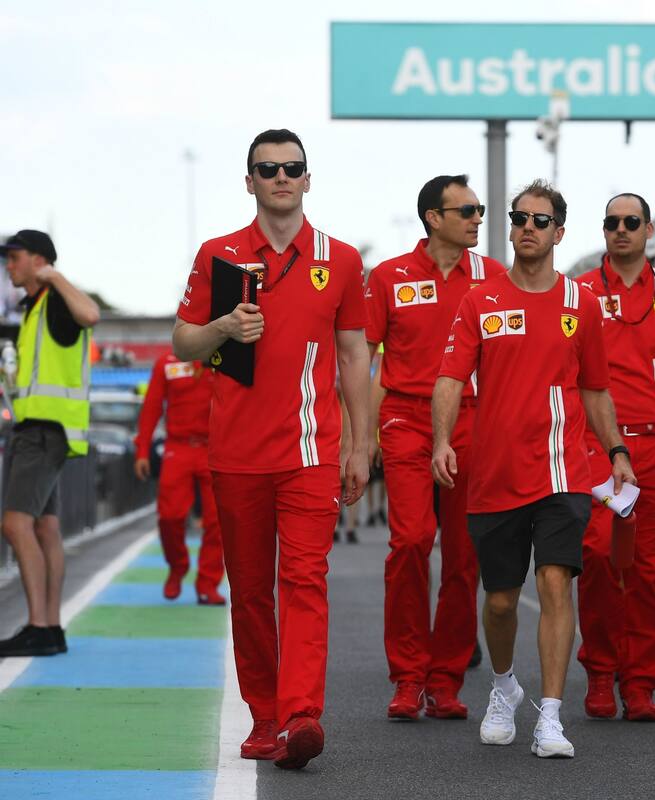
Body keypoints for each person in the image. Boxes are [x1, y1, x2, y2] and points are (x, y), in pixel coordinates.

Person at [172, 129, 371, 770]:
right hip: (234, 454)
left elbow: (353, 357)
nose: (281, 177)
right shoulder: (218, 255)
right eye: (268, 169)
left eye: (293, 168)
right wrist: (223, 327)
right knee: (252, 590)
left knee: (305, 579)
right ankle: (264, 717)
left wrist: (361, 444)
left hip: (312, 453)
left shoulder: (340, 260)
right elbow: (182, 344)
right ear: (250, 180)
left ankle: (301, 715)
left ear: (308, 179)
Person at [433, 180, 634, 758]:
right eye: (519, 218)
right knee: (498, 601)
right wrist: (442, 440)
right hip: (494, 475)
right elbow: (449, 378)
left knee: (554, 583)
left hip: (562, 474)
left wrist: (616, 450)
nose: (527, 227)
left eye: (539, 221)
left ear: (559, 233)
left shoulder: (581, 303)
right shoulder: (481, 301)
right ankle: (503, 687)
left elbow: (596, 390)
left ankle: (550, 716)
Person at [364, 174, 505, 720]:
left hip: (473, 421)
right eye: (467, 210)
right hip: (405, 418)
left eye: (480, 210)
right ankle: (407, 676)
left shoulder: (492, 278)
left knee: (465, 557)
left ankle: (445, 678)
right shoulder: (390, 276)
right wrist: (362, 438)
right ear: (433, 217)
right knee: (411, 541)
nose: (477, 219)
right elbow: (369, 359)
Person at [574, 192, 655, 721]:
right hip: (596, 445)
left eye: (631, 222)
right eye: (611, 223)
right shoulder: (580, 291)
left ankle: (640, 682)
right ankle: (600, 671)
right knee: (601, 556)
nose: (621, 230)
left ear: (649, 230)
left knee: (652, 568)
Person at [0, 230, 99, 658]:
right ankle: (51, 628)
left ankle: (39, 625)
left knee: (15, 524)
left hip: (43, 432)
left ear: (38, 260)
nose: (8, 266)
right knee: (45, 526)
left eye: (15, 258)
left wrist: (54, 277)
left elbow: (92, 314)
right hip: (42, 431)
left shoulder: (55, 300)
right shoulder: (34, 310)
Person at [133, 352, 225, 604]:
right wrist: (142, 450)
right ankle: (178, 566)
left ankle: (207, 583)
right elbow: (151, 406)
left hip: (214, 449)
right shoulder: (167, 362)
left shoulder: (223, 357)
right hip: (178, 447)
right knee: (170, 516)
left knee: (218, 522)